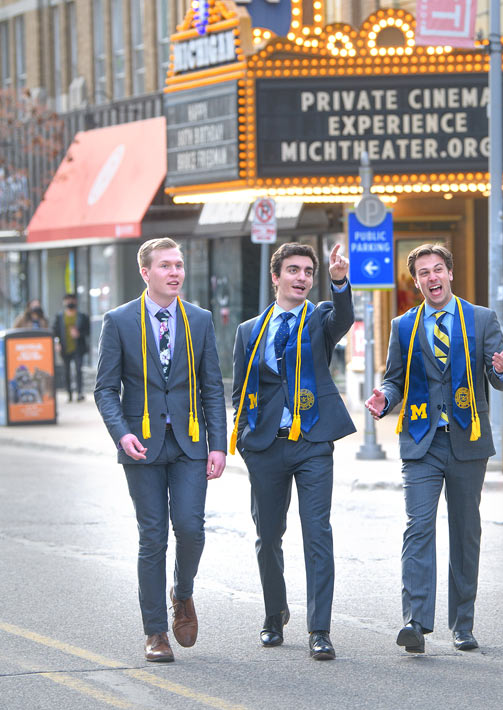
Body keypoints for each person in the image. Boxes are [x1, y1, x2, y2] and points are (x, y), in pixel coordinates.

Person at [366, 243, 503, 655]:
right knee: (418, 526)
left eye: (438, 270)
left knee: (465, 532)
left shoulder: (481, 319)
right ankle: (415, 621)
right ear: (416, 282)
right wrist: (384, 397)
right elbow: (394, 378)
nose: (432, 278)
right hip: (421, 440)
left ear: (450, 273)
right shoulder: (403, 325)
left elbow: (498, 374)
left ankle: (462, 624)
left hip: (468, 441)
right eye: (423, 273)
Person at [94, 238, 227, 664]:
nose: (175, 273)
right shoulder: (119, 321)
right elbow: (104, 389)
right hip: (142, 444)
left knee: (190, 528)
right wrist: (121, 433)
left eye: (179, 265)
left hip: (189, 441)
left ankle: (182, 594)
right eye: (166, 266)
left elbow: (212, 386)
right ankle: (155, 632)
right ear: (145, 272)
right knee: (153, 537)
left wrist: (219, 445)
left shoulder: (200, 320)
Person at [231, 242, 355, 661]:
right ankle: (273, 614)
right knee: (268, 536)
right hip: (265, 446)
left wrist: (339, 282)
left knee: (317, 534)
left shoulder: (319, 318)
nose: (301, 277)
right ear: (276, 276)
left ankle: (319, 629)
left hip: (313, 443)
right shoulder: (250, 330)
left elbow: (344, 319)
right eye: (293, 270)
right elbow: (239, 391)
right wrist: (246, 438)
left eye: (308, 271)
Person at [53, 292, 90, 401]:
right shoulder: (59, 316)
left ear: (76, 301)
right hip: (65, 348)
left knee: (78, 370)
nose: (70, 302)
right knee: (66, 371)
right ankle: (69, 394)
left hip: (79, 348)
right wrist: (57, 343)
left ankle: (79, 393)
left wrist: (79, 334)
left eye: (72, 300)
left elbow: (87, 331)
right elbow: (55, 331)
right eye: (68, 300)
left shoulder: (82, 316)